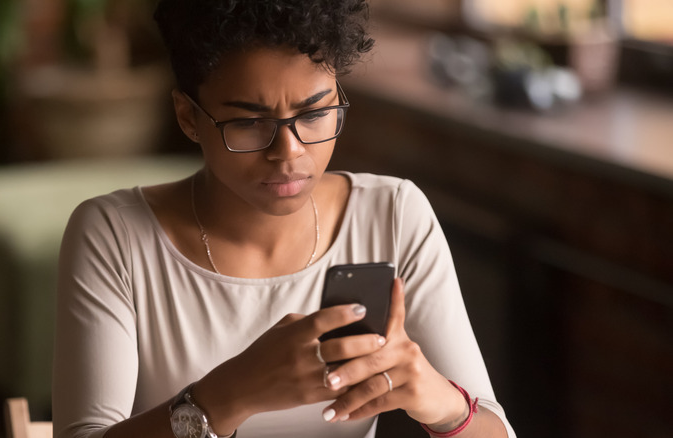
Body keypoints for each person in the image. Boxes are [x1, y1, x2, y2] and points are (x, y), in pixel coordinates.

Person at [52, 1, 516, 437]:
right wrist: (229, 394)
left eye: (314, 113)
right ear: (188, 116)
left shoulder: (392, 215)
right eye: (249, 123)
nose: (289, 152)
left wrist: (440, 401)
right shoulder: (115, 236)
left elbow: (495, 427)